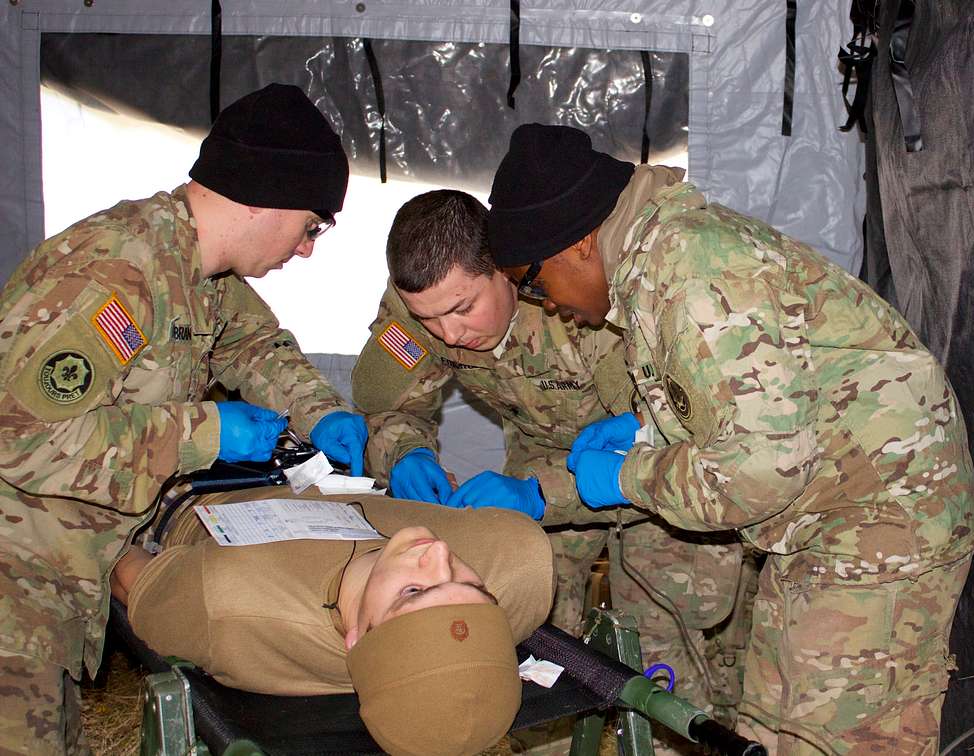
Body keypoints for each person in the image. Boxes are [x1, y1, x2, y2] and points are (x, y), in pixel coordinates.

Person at [485, 123, 974, 753]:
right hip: (822, 510)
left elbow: (758, 473)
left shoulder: (693, 276)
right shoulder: (659, 263)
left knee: (838, 736)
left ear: (579, 243)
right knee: (767, 729)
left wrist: (629, 475)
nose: (543, 303)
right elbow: (744, 401)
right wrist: (645, 429)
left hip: (881, 518)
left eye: (532, 281)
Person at [0, 83, 369, 754]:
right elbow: (21, 436)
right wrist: (204, 433)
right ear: (267, 193)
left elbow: (253, 346)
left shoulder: (199, 272)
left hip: (60, 583)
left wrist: (323, 414)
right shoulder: (116, 272)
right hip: (15, 586)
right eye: (312, 226)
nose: (309, 248)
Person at [350, 190, 750, 746]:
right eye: (429, 318)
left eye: (463, 309)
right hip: (535, 464)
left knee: (669, 644)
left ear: (507, 273)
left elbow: (661, 438)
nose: (449, 334)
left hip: (653, 472)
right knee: (531, 639)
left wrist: (542, 492)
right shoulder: (421, 309)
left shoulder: (578, 295)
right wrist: (406, 452)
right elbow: (388, 405)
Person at [112, 487, 554, 756]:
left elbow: (115, 561)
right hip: (313, 464)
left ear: (356, 640)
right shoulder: (519, 567)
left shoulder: (228, 602)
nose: (439, 554)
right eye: (475, 589)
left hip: (191, 492)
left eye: (413, 592)